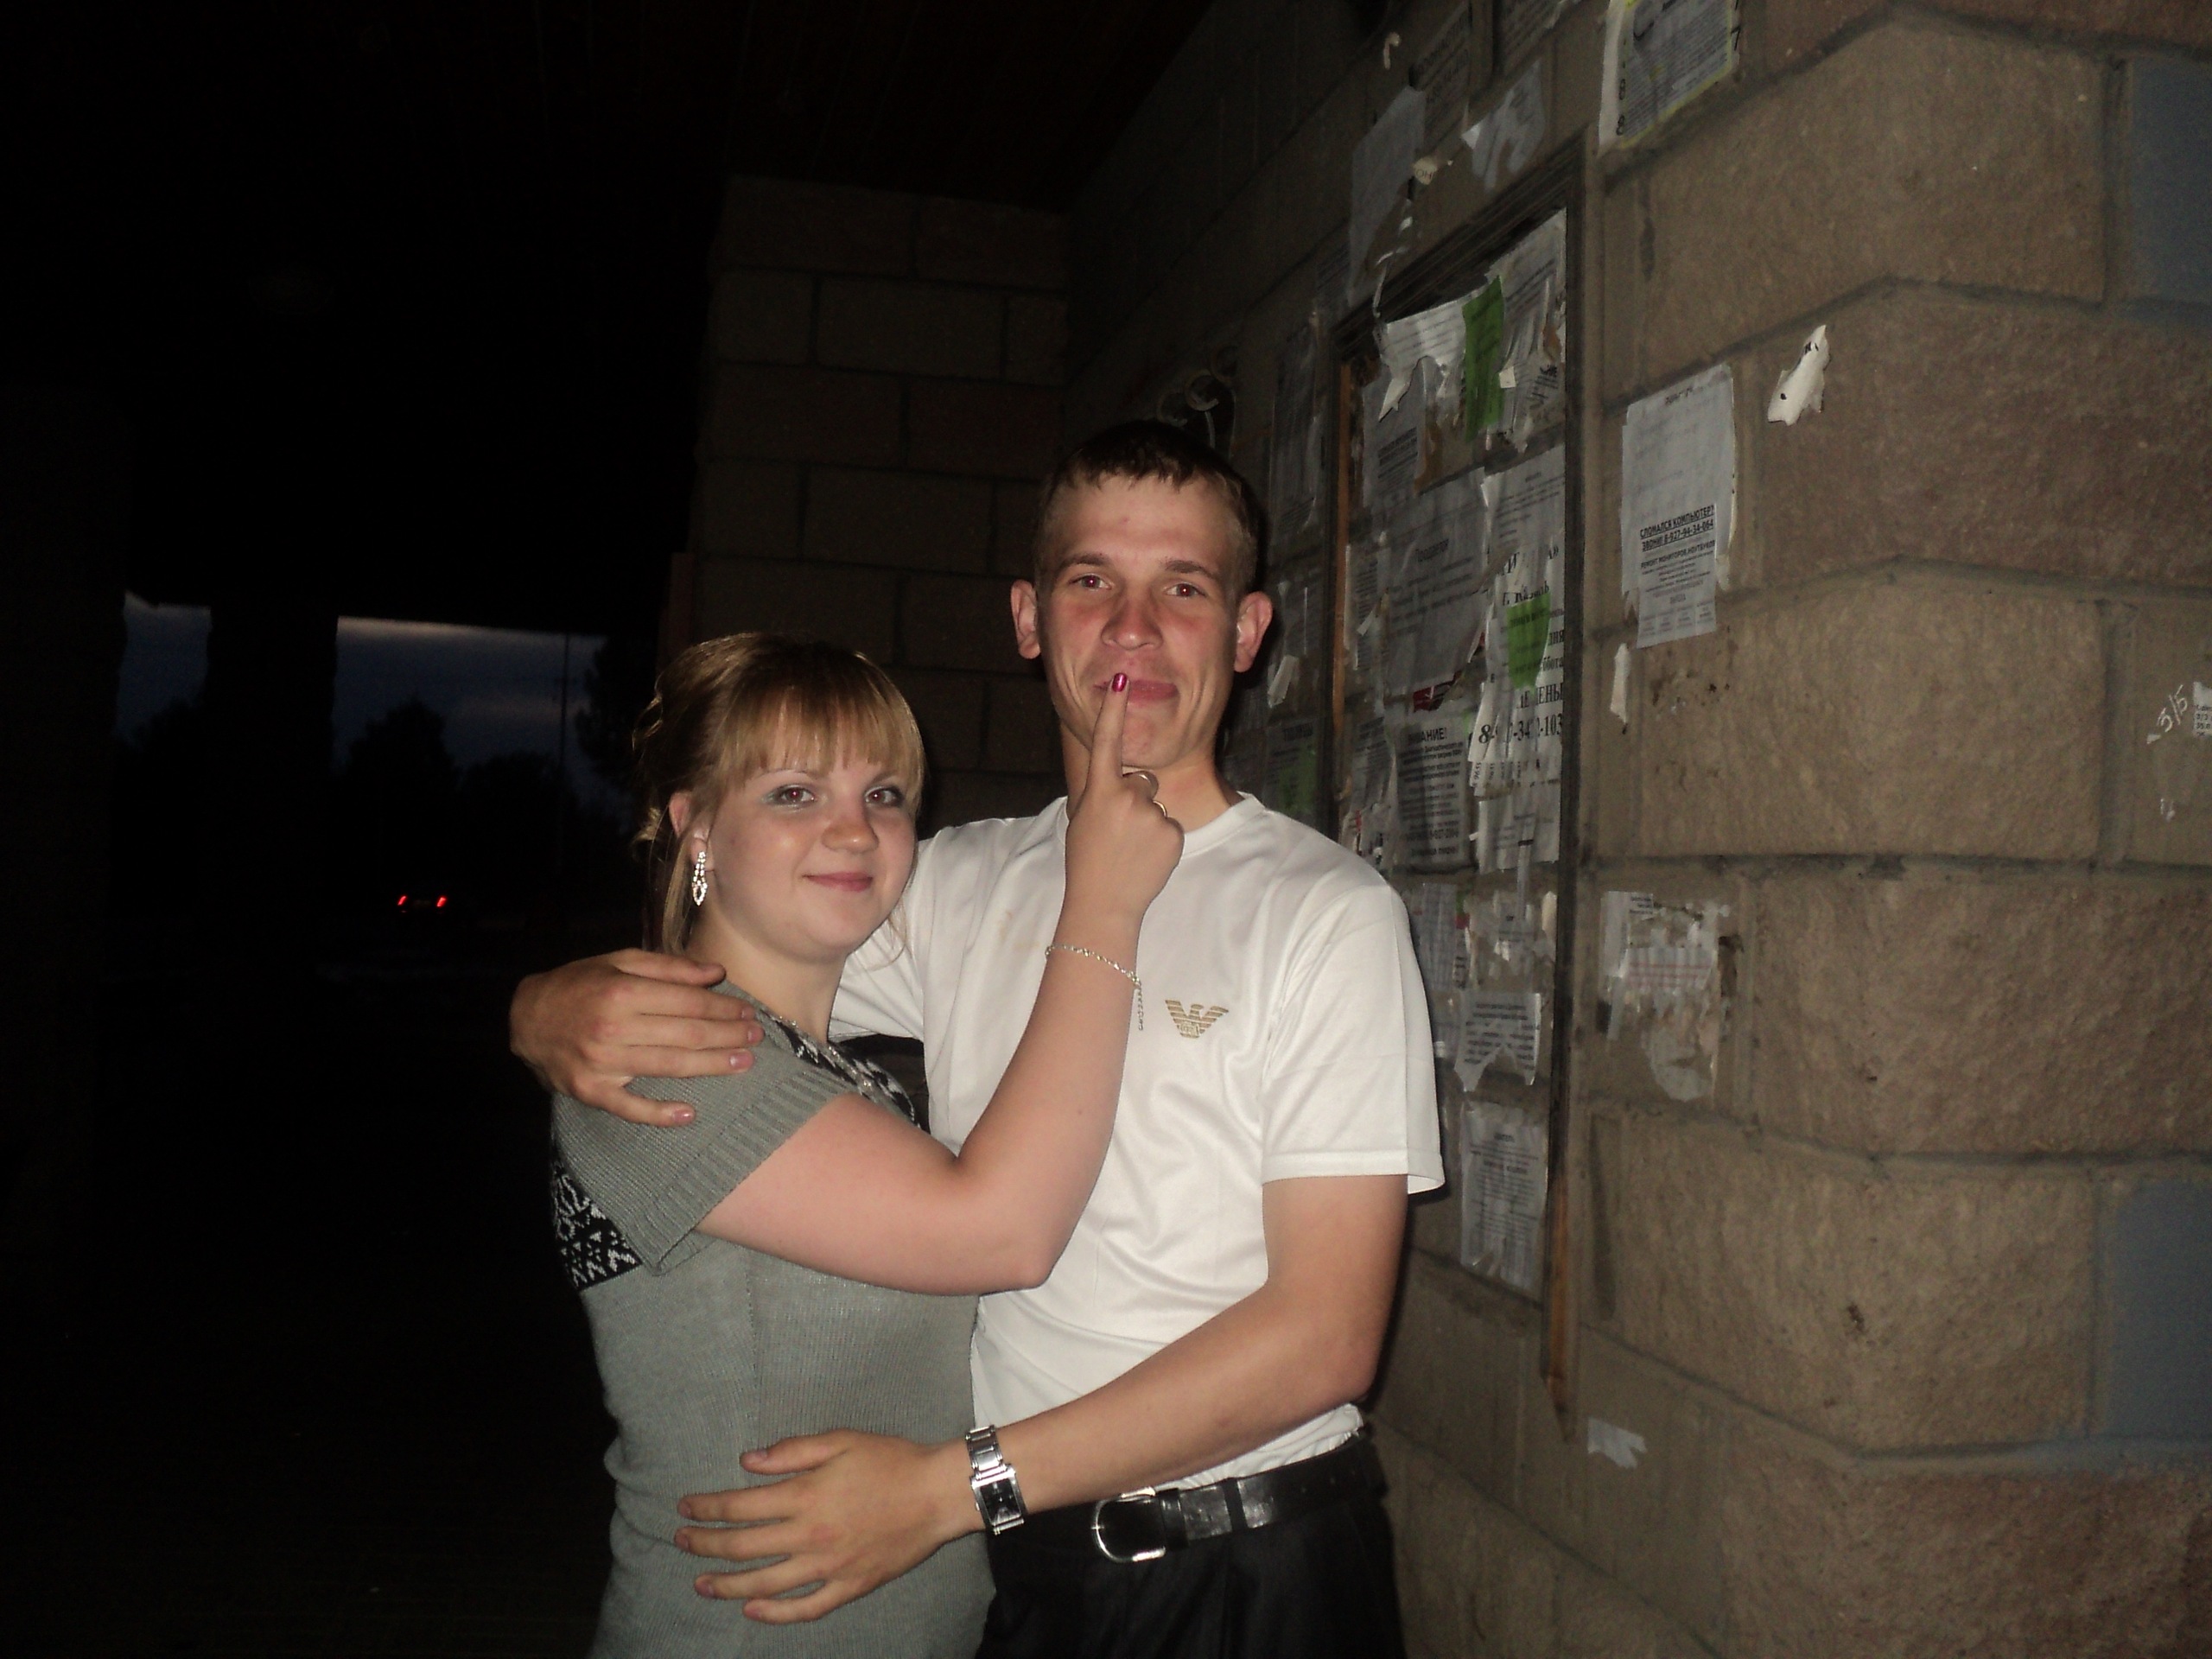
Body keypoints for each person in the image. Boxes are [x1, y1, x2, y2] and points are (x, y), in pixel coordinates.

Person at [512, 422, 1444, 1658]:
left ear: (1246, 631)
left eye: (1183, 588)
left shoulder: (1325, 913)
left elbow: (1326, 1338)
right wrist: (548, 1001)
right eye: (1091, 580)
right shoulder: (948, 879)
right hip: (1015, 1572)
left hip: (1239, 1563)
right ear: (1027, 618)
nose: (1132, 629)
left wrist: (956, 1488)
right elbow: (747, 953)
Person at [545, 631, 1180, 1657]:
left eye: (883, 795)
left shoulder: (828, 1068)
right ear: (695, 828)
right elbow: (1004, 1231)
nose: (852, 830)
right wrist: (1102, 901)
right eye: (794, 794)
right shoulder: (675, 1064)